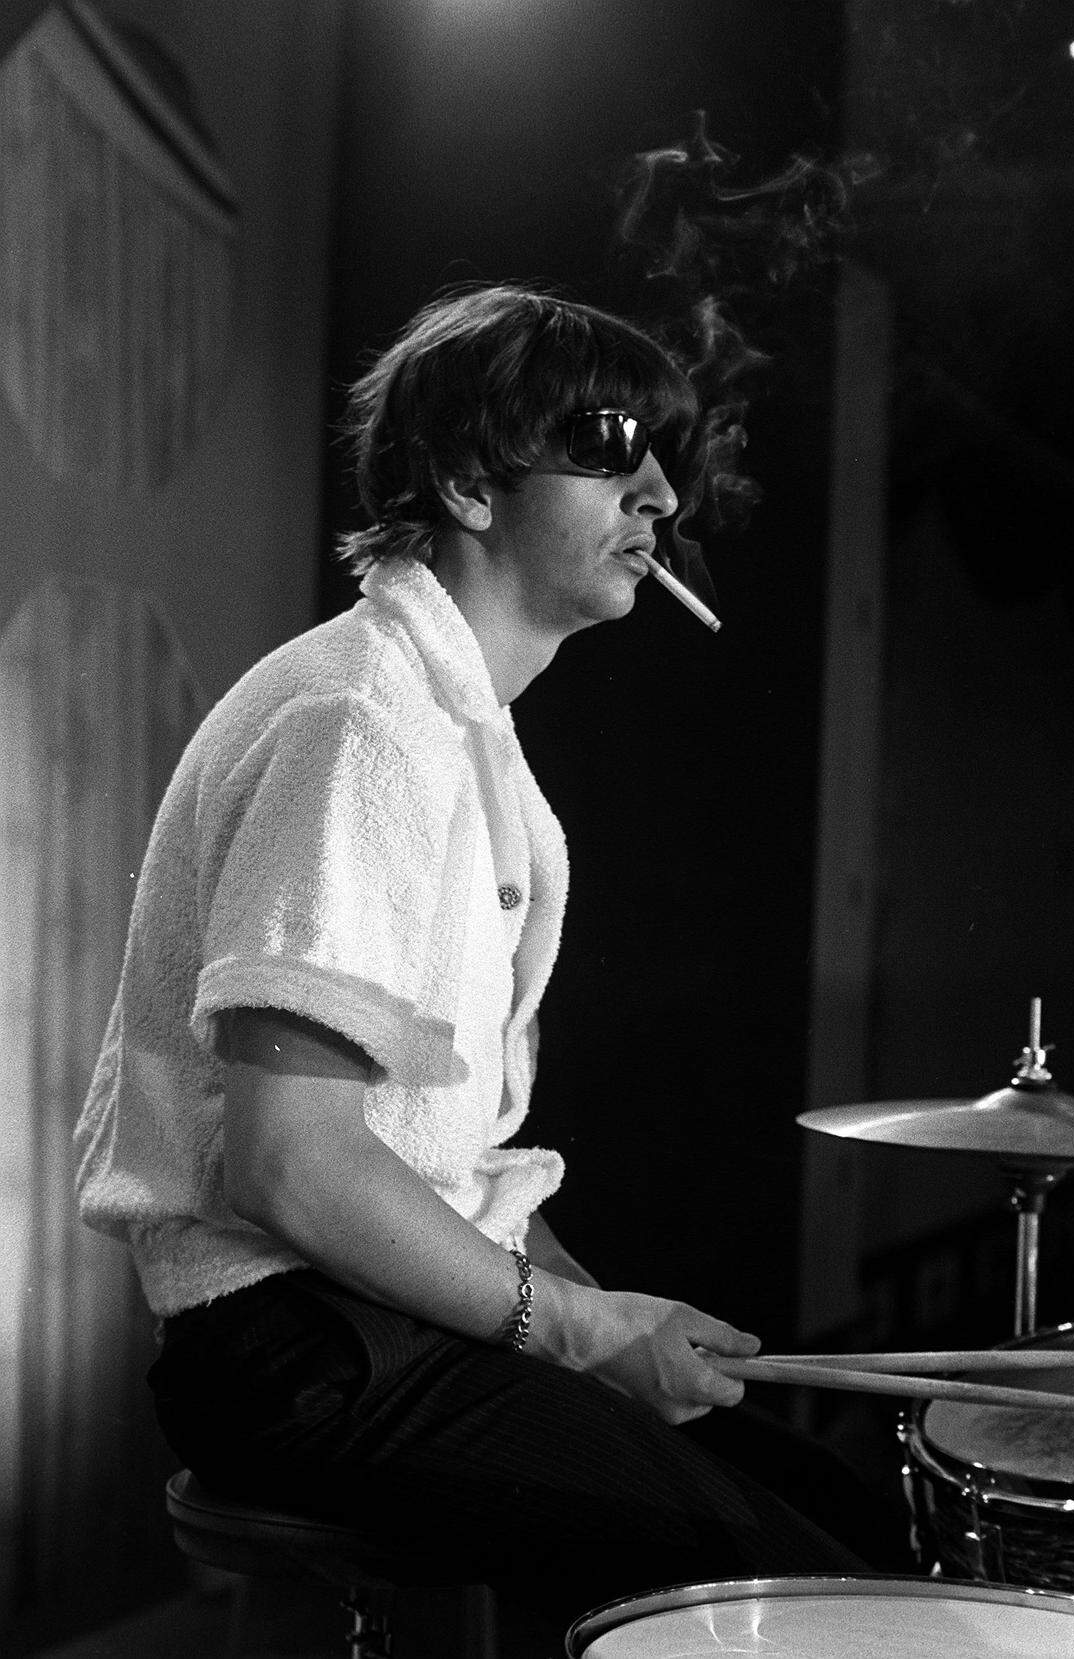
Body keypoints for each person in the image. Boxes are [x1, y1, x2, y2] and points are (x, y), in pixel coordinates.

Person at [75, 284, 910, 1639]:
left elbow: (443, 1169)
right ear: (468, 480)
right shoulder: (359, 721)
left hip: (381, 1307)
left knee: (850, 1529)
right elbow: (290, 1164)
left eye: (662, 455)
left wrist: (608, 1316)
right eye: (608, 443)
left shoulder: (452, 724)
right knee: (761, 1591)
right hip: (291, 1341)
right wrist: (580, 1333)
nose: (659, 494)